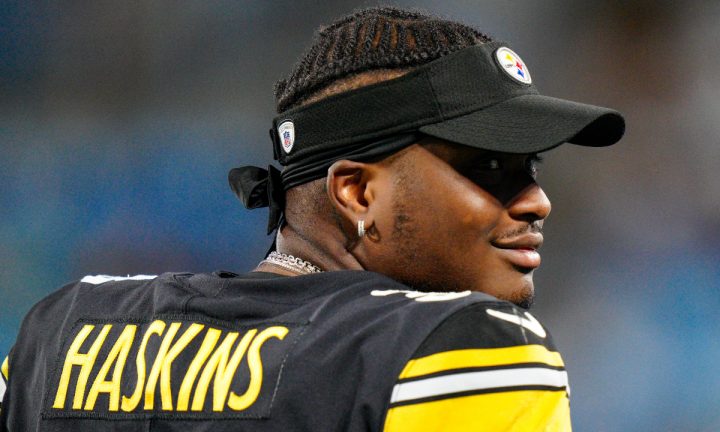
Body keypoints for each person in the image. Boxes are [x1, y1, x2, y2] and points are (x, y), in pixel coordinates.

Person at [0, 7, 624, 431]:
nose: (536, 202)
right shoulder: (464, 346)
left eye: (530, 167)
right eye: (489, 168)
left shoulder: (61, 332)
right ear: (355, 193)